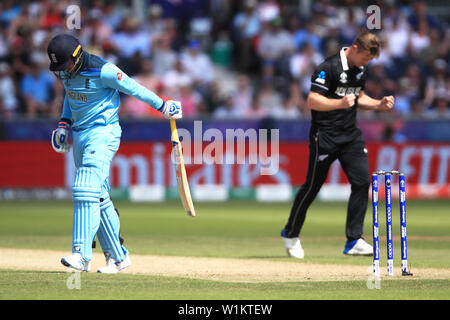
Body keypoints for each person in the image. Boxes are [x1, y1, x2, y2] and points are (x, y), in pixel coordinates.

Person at [48, 34, 182, 273]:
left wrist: (163, 106)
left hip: (103, 132)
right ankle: (118, 258)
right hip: (79, 135)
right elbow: (70, 95)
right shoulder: (67, 70)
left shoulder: (105, 71)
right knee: (98, 196)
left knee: (84, 186)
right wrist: (63, 123)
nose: (62, 71)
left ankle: (81, 255)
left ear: (78, 56)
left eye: (64, 65)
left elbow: (134, 88)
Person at [281, 31, 395, 258]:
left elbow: (359, 97)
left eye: (370, 60)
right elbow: (312, 100)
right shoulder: (328, 67)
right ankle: (291, 233)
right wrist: (339, 103)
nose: (367, 63)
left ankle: (353, 240)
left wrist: (378, 105)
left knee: (362, 181)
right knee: (312, 186)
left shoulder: (361, 69)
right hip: (324, 136)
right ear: (354, 49)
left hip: (350, 135)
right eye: (365, 57)